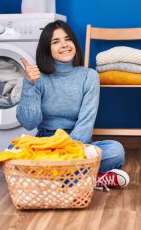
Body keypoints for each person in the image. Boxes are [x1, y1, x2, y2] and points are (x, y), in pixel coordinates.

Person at [16, 20, 129, 190]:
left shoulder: (89, 76)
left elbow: (85, 123)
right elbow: (29, 122)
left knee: (115, 151)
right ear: (46, 48)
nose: (64, 45)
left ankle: (50, 179)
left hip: (78, 144)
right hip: (46, 144)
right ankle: (88, 179)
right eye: (56, 42)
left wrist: (66, 151)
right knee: (13, 149)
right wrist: (28, 85)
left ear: (74, 43)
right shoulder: (37, 78)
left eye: (68, 39)